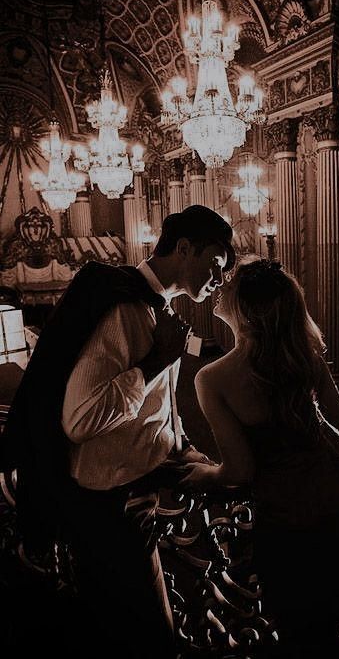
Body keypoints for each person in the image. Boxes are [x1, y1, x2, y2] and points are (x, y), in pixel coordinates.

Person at [1, 204, 235, 658]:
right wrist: (152, 363)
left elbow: (158, 408)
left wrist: (184, 450)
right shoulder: (127, 308)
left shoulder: (155, 307)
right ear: (184, 248)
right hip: (112, 508)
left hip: (136, 494)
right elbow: (80, 418)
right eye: (216, 262)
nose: (220, 277)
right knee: (146, 639)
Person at [180, 257, 339, 659]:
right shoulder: (302, 356)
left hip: (285, 516)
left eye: (231, 283)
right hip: (332, 497)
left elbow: (239, 469)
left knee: (296, 626)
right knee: (331, 617)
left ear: (244, 308)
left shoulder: (213, 378)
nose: (221, 285)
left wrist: (202, 474)